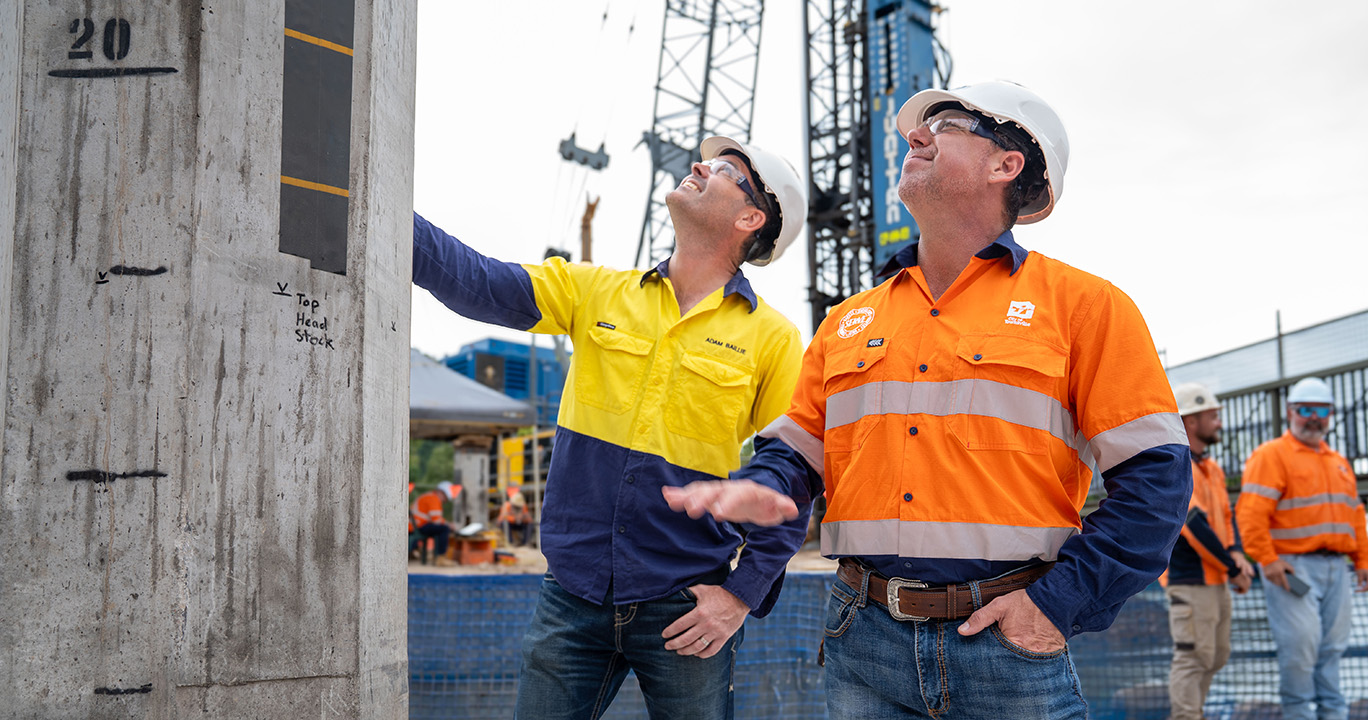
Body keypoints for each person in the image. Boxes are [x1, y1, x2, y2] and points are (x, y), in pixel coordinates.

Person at [664, 80, 1191, 719]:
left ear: (1007, 163)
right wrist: (764, 483)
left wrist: (1056, 605)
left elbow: (1156, 484)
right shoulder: (849, 320)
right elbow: (797, 448)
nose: (914, 135)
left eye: (943, 125)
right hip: (863, 641)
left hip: (1006, 643)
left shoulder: (1084, 307)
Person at [412, 136, 811, 719]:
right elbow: (478, 281)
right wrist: (387, 212)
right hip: (572, 596)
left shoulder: (772, 339)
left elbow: (792, 480)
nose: (699, 164)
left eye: (725, 169)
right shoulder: (595, 291)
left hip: (686, 607)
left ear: (751, 217)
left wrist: (738, 597)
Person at [1235, 376, 1368, 720]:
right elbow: (1251, 514)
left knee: (1333, 647)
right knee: (1300, 648)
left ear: (1331, 414)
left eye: (1321, 410)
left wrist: (1363, 560)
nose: (1314, 417)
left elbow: (1355, 515)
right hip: (1291, 568)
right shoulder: (1272, 455)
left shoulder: (1338, 462)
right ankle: (1299, 714)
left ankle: (1333, 714)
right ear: (1291, 412)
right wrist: (1269, 561)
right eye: (1305, 410)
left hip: (1337, 567)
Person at [1162, 383, 1254, 720]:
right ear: (1190, 422)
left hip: (1216, 577)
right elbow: (1196, 526)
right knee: (1192, 656)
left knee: (1215, 656)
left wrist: (1237, 555)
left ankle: (1193, 712)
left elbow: (1226, 518)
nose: (1219, 423)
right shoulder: (1177, 465)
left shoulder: (1212, 469)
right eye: (1212, 417)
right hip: (1189, 578)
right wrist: (1234, 567)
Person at [411, 481, 458, 567]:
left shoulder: (429, 496)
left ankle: (434, 555)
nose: (445, 501)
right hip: (419, 526)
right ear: (441, 492)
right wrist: (449, 525)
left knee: (442, 528)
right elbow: (437, 520)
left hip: (415, 525)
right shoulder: (433, 498)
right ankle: (440, 558)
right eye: (445, 498)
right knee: (444, 529)